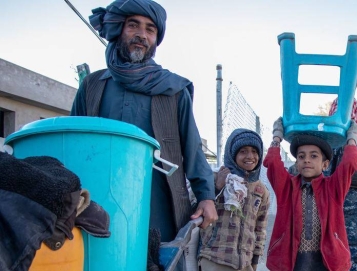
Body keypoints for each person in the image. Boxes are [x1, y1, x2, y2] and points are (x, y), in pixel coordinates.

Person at [70, 0, 217, 248]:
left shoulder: (173, 89)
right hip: (98, 202)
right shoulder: (92, 86)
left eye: (150, 29)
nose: (141, 34)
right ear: (118, 29)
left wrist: (206, 196)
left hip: (159, 205)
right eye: (133, 25)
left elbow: (192, 149)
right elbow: (73, 141)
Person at [263, 117, 357, 271]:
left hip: (326, 262)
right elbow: (273, 163)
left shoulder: (333, 188)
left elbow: (349, 163)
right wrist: (277, 136)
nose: (306, 160)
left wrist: (352, 138)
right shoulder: (287, 188)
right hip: (292, 261)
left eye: (314, 156)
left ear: (325, 164)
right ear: (296, 163)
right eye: (301, 156)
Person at [198, 129, 270, 271]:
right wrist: (217, 188)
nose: (250, 156)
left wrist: (254, 262)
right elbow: (195, 210)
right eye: (243, 151)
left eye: (254, 151)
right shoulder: (215, 178)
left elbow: (260, 229)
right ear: (233, 154)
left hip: (245, 264)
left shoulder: (261, 191)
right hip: (214, 259)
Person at [326, 98, 357, 271]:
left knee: (330, 256)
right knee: (354, 257)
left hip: (332, 207)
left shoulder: (330, 139)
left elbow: (323, 175)